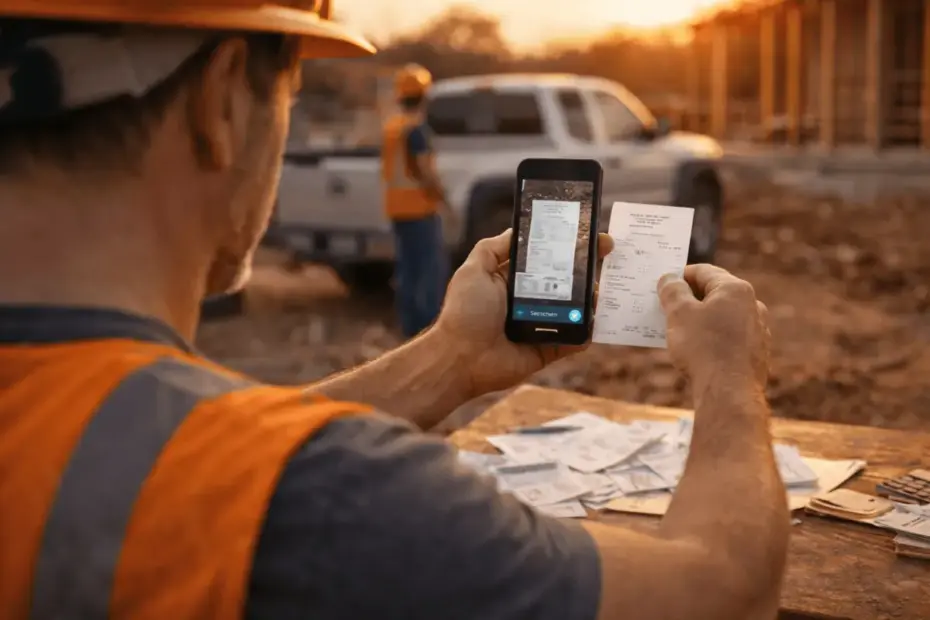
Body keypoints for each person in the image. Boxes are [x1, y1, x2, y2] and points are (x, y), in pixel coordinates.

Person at [0, 2, 790, 619]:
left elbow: (167, 458)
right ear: (221, 105)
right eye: (290, 95)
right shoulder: (327, 499)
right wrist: (730, 377)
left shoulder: (103, 426)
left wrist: (450, 355)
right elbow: (721, 593)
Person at [381, 63, 450, 339]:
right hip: (420, 209)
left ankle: (409, 327)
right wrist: (442, 197)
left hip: (397, 208)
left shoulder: (392, 128)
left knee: (408, 271)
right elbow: (424, 171)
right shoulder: (416, 130)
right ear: (424, 96)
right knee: (430, 270)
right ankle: (429, 330)